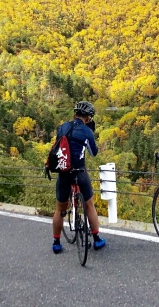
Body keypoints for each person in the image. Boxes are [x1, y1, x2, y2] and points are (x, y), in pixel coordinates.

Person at [51, 100, 106, 254]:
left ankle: (56, 242)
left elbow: (58, 146)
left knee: (59, 209)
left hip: (63, 172)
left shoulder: (62, 128)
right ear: (88, 118)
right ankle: (97, 240)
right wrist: (90, 133)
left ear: (74, 114)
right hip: (80, 172)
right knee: (89, 205)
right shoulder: (87, 131)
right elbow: (93, 152)